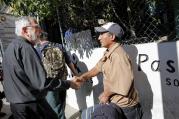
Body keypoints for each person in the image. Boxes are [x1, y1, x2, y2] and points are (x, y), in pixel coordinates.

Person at [2, 16, 80, 119]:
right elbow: (42, 82)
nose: (40, 30)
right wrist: (69, 83)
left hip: (17, 106)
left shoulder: (10, 48)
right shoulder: (26, 48)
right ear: (25, 30)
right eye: (37, 27)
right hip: (32, 106)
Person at [76, 22, 143, 119]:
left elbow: (123, 84)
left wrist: (106, 95)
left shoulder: (118, 56)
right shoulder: (109, 52)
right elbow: (97, 68)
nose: (99, 38)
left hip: (126, 109)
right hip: (116, 105)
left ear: (112, 36)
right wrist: (82, 77)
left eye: (102, 34)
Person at [35, 31, 78, 119]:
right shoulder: (59, 46)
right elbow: (69, 61)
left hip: (50, 82)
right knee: (62, 103)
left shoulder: (37, 50)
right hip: (63, 79)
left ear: (39, 39)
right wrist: (76, 74)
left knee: (55, 107)